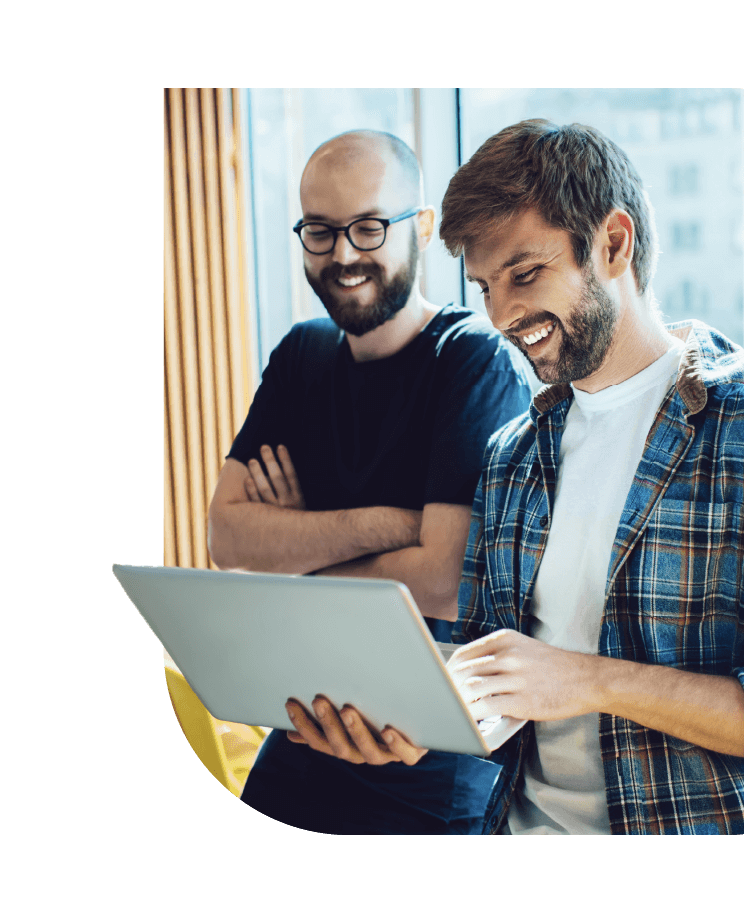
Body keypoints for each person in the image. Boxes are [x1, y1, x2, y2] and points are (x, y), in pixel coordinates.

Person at [289, 118, 744, 834]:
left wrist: (589, 678)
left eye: (526, 273)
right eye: (485, 286)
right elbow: (494, 684)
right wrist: (412, 726)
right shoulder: (510, 457)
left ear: (614, 244)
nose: (502, 313)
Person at [204, 129, 533, 834]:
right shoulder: (301, 354)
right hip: (304, 725)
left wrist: (297, 544)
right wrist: (394, 522)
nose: (344, 254)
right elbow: (227, 538)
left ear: (419, 229)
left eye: (367, 227)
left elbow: (443, 575)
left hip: (425, 757)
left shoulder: (472, 359)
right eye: (320, 232)